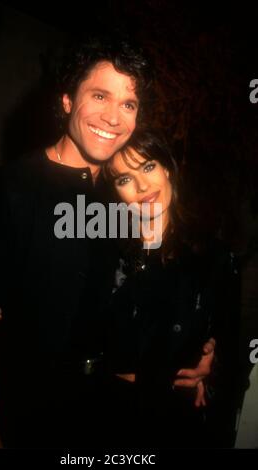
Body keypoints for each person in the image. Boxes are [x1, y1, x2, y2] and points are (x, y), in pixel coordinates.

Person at [0, 35, 214, 449]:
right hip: (26, 419)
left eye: (128, 104)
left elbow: (159, 291)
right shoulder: (7, 189)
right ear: (65, 102)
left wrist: (199, 349)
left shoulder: (121, 197)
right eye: (100, 95)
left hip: (108, 421)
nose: (113, 117)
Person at [103, 130, 240, 448]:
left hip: (178, 424)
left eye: (148, 167)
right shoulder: (105, 254)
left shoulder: (214, 257)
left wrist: (214, 369)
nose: (141, 187)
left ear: (167, 168)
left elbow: (232, 346)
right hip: (109, 420)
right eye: (124, 179)